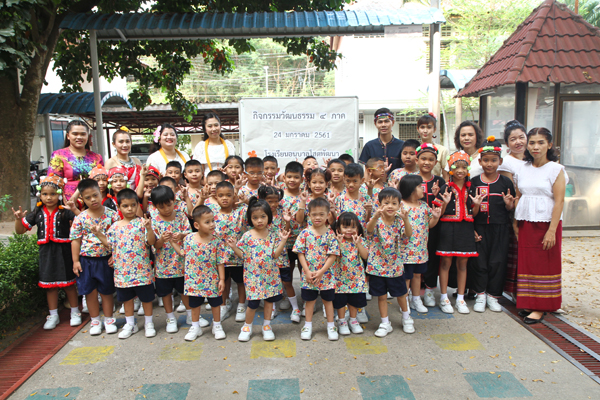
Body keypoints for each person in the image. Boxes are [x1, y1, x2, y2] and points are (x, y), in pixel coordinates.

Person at [13, 174, 81, 330]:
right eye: (45, 194)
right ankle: (53, 315)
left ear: (60, 194)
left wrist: (74, 209)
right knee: (50, 286)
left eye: (53, 194)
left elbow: (83, 220)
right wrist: (18, 219)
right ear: (39, 195)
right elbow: (20, 231)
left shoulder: (65, 211)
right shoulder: (36, 213)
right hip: (46, 253)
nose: (49, 197)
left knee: (69, 284)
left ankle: (75, 312)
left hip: (64, 252)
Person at [514, 127, 566, 324]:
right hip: (526, 221)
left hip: (547, 224)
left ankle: (541, 307)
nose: (535, 147)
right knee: (528, 263)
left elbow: (559, 201)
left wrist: (552, 231)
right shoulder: (522, 168)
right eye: (532, 142)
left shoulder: (556, 169)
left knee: (545, 263)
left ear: (549, 145)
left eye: (541, 142)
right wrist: (515, 223)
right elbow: (519, 196)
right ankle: (529, 303)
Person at [90, 189, 156, 339]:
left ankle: (149, 323)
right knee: (127, 299)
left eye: (133, 205)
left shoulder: (142, 223)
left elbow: (151, 242)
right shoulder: (115, 226)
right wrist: (98, 234)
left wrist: (149, 228)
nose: (130, 209)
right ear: (119, 207)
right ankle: (130, 324)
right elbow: (109, 244)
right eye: (125, 206)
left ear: (137, 205)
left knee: (146, 299)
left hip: (142, 271)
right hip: (122, 272)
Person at [227, 199, 289, 342]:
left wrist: (283, 241)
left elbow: (275, 255)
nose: (259, 220)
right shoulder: (247, 236)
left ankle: (266, 326)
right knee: (253, 303)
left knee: (269, 301)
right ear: (250, 219)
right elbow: (243, 255)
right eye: (255, 217)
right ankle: (247, 327)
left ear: (269, 217)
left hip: (270, 275)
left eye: (263, 216)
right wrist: (234, 247)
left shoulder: (273, 234)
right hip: (253, 276)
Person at [470, 136, 516, 313]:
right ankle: (480, 294)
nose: (489, 164)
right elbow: (470, 211)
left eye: (494, 160)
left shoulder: (506, 182)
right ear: (480, 161)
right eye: (486, 160)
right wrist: (473, 225)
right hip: (480, 227)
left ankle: (493, 296)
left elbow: (510, 208)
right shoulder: (474, 182)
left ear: (500, 161)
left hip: (500, 228)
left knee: (498, 261)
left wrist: (508, 204)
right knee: (479, 262)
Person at [435, 151, 483, 315]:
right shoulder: (445, 188)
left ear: (468, 169)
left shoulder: (472, 189)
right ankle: (444, 297)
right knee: (445, 263)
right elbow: (439, 213)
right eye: (456, 167)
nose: (460, 171)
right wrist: (444, 203)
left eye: (464, 167)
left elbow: (473, 214)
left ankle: (460, 298)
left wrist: (477, 205)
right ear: (451, 169)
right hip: (448, 229)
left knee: (463, 264)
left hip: (466, 229)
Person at [70, 179, 120, 335]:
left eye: (95, 195)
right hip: (86, 261)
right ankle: (95, 321)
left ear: (100, 193)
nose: (93, 200)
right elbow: (75, 240)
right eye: (88, 197)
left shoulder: (112, 215)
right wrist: (76, 261)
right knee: (90, 292)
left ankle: (109, 320)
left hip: (106, 260)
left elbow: (119, 238)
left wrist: (115, 256)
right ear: (82, 199)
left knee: (106, 291)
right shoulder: (80, 218)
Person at [175, 205, 227, 341]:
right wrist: (171, 242)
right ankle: (195, 326)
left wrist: (222, 279)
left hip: (212, 279)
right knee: (194, 304)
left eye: (213, 220)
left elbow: (220, 262)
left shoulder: (217, 241)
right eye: (207, 222)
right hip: (194, 280)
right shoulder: (188, 239)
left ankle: (217, 325)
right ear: (197, 225)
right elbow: (182, 253)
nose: (212, 224)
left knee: (215, 303)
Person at [365, 188, 412, 337]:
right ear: (380, 204)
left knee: (401, 294)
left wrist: (406, 219)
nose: (390, 206)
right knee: (381, 296)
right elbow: (369, 231)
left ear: (399, 205)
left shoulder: (399, 220)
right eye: (386, 203)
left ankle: (406, 318)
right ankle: (385, 323)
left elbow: (408, 234)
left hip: (395, 266)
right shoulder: (376, 220)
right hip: (377, 266)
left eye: (394, 203)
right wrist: (374, 216)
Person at [293, 197, 341, 341]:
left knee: (328, 301)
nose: (317, 217)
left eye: (321, 214)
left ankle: (331, 326)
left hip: (326, 276)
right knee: (309, 301)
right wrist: (307, 271)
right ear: (309, 215)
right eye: (314, 214)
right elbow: (300, 253)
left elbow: (333, 255)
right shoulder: (305, 233)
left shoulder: (330, 234)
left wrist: (321, 272)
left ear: (328, 215)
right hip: (308, 276)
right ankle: (307, 325)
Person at [150, 185, 192, 334]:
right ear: (155, 206)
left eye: (169, 204)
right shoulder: (154, 221)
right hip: (163, 266)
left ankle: (190, 315)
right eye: (161, 207)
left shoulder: (181, 216)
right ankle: (170, 318)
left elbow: (190, 235)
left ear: (174, 200)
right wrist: (162, 239)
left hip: (181, 264)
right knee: (166, 293)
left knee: (184, 291)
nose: (166, 209)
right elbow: (154, 244)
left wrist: (181, 235)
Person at [399, 175, 441, 314]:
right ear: (410, 189)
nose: (423, 189)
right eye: (419, 186)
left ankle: (416, 299)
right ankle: (404, 300)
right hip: (405, 251)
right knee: (406, 277)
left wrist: (435, 217)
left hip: (420, 249)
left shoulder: (423, 205)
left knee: (417, 275)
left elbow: (429, 225)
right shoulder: (401, 205)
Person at [497, 120, 527, 299]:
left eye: (521, 137)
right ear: (507, 143)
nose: (518, 142)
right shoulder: (506, 163)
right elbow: (511, 191)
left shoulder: (533, 160)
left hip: (533, 212)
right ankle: (517, 291)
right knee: (517, 253)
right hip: (515, 211)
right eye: (513, 139)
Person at [258, 186, 297, 321]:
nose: (273, 204)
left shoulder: (281, 213)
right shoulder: (261, 214)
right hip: (266, 256)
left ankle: (295, 308)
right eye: (270, 201)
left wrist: (287, 221)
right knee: (270, 282)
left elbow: (285, 231)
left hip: (281, 255)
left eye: (276, 201)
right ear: (263, 200)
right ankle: (272, 308)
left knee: (287, 282)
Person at [415, 143, 446, 308]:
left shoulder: (440, 181)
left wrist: (437, 196)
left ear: (436, 162)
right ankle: (414, 291)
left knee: (433, 258)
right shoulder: (411, 180)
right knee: (414, 259)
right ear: (417, 160)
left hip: (434, 226)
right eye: (423, 159)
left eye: (431, 159)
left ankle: (429, 290)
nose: (427, 162)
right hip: (415, 228)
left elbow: (443, 205)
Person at [213, 181, 248, 323]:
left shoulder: (241, 211)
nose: (225, 198)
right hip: (221, 258)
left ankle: (241, 305)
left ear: (234, 196)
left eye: (228, 195)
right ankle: (224, 305)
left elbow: (255, 209)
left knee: (241, 282)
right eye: (221, 195)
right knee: (224, 281)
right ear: (216, 197)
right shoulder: (213, 214)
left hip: (238, 256)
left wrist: (246, 200)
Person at [332, 212, 369, 335]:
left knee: (354, 301)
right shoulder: (336, 241)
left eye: (353, 227)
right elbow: (333, 257)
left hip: (356, 278)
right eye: (345, 227)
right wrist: (338, 243)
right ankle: (342, 321)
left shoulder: (360, 240)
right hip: (340, 279)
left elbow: (365, 256)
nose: (349, 230)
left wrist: (358, 243)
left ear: (358, 228)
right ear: (338, 229)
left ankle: (353, 320)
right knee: (340, 302)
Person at [48, 120, 103, 201]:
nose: (79, 137)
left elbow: (102, 181)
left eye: (83, 134)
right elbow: (53, 182)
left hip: (92, 201)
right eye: (75, 134)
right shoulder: (58, 155)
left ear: (87, 136)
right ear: (68, 136)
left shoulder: (97, 157)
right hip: (68, 201)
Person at [359, 108, 404, 173]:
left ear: (393, 123)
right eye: (380, 122)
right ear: (375, 124)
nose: (383, 125)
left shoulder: (402, 145)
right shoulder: (369, 146)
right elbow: (367, 171)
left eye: (386, 121)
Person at [334, 163, 373, 229]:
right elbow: (338, 220)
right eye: (348, 181)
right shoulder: (340, 199)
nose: (351, 184)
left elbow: (367, 221)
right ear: (344, 180)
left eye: (355, 181)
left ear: (362, 181)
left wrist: (369, 211)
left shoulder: (366, 199)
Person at [417, 113, 449, 180]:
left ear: (434, 129)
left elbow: (446, 176)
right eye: (422, 127)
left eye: (429, 127)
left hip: (436, 185)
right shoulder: (414, 149)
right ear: (418, 129)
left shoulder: (442, 150)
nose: (425, 131)